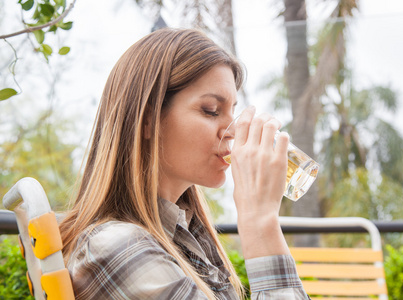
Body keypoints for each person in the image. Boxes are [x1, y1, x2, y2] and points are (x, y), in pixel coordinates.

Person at [59, 28, 310, 300]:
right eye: (211, 110)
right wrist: (259, 219)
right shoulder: (116, 249)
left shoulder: (182, 235)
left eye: (232, 112)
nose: (234, 130)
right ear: (147, 120)